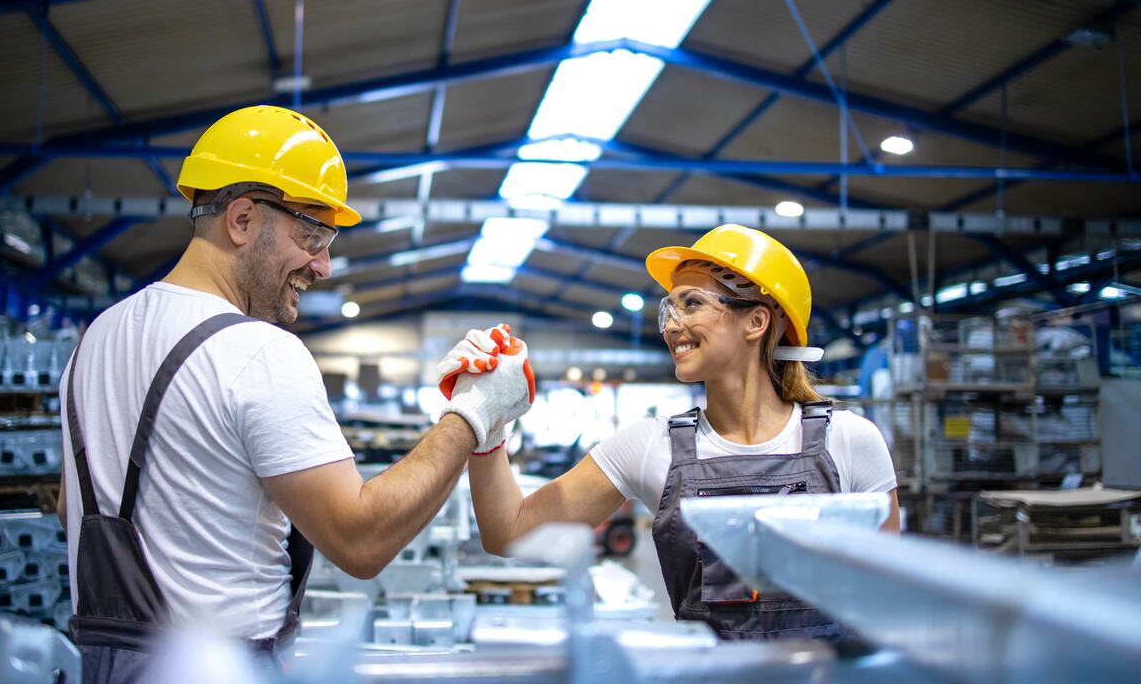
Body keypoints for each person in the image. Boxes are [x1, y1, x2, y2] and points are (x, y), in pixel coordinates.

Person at [57, 105, 534, 682]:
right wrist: (472, 414)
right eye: (312, 234)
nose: (325, 265)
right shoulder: (255, 352)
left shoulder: (96, 341)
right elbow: (361, 541)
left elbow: (73, 510)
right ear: (241, 220)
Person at [459, 224, 899, 642]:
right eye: (669, 309)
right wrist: (486, 417)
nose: (670, 326)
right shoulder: (649, 447)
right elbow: (509, 532)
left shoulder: (850, 441)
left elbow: (890, 598)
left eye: (691, 304)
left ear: (756, 322)